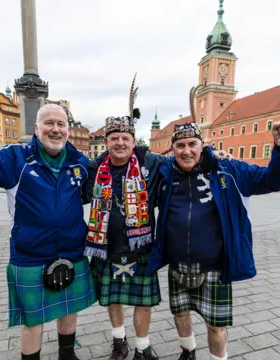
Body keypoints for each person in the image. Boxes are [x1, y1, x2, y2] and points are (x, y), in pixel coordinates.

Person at [146, 86, 280, 360]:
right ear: (172, 150)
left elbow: (271, 180)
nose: (186, 151)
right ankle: (188, 351)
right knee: (180, 313)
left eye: (192, 144)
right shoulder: (165, 173)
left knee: (216, 326)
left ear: (201, 145)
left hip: (215, 266)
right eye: (179, 146)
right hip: (177, 262)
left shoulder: (229, 169)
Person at [84, 77, 229, 360]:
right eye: (114, 138)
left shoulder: (151, 162)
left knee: (142, 303)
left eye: (125, 138)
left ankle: (142, 347)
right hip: (104, 246)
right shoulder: (93, 168)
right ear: (106, 141)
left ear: (132, 140)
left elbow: (185, 158)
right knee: (112, 300)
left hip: (140, 248)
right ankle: (118, 341)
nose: (120, 143)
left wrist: (212, 154)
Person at [0, 104, 96, 360]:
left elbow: (91, 192)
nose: (55, 129)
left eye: (61, 124)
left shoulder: (79, 162)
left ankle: (67, 354)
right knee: (32, 320)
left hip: (72, 251)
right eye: (49, 123)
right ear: (36, 128)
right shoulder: (15, 159)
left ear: (68, 131)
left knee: (69, 310)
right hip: (30, 255)